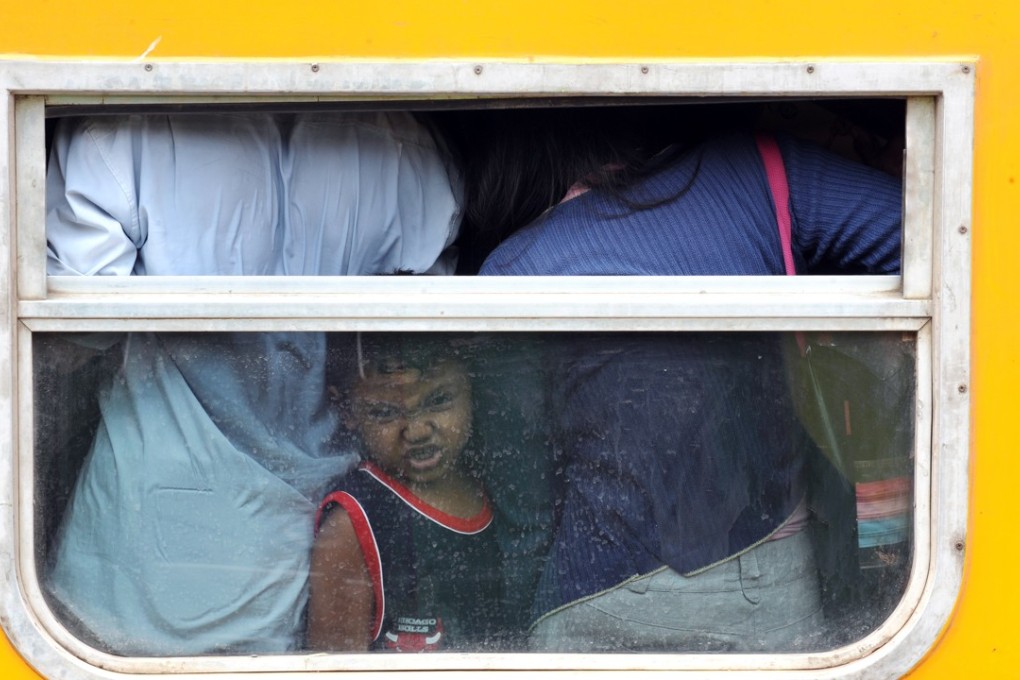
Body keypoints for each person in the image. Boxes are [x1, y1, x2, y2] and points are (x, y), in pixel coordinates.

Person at [466, 108, 902, 652]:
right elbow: (933, 248)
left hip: (589, 592)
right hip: (766, 576)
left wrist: (515, 616)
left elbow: (524, 501)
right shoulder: (762, 168)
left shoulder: (512, 269)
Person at [43, 112, 462, 655]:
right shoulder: (411, 147)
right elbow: (414, 350)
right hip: (319, 545)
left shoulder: (123, 132)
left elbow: (66, 345)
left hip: (140, 567)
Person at [308, 334, 505, 652]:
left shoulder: (503, 486)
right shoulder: (356, 522)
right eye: (384, 413)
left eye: (438, 400)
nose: (416, 431)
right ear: (346, 410)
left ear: (472, 386)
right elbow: (334, 665)